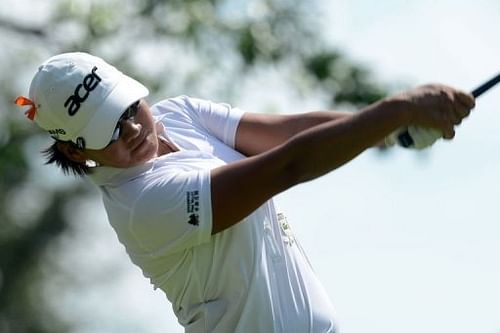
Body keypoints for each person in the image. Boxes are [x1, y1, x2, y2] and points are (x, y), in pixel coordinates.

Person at [15, 52, 475, 333]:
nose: (134, 128)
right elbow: (288, 165)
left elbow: (285, 132)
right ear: (77, 154)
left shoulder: (178, 115)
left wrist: (389, 129)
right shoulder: (143, 204)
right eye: (110, 129)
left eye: (130, 108)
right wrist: (394, 111)